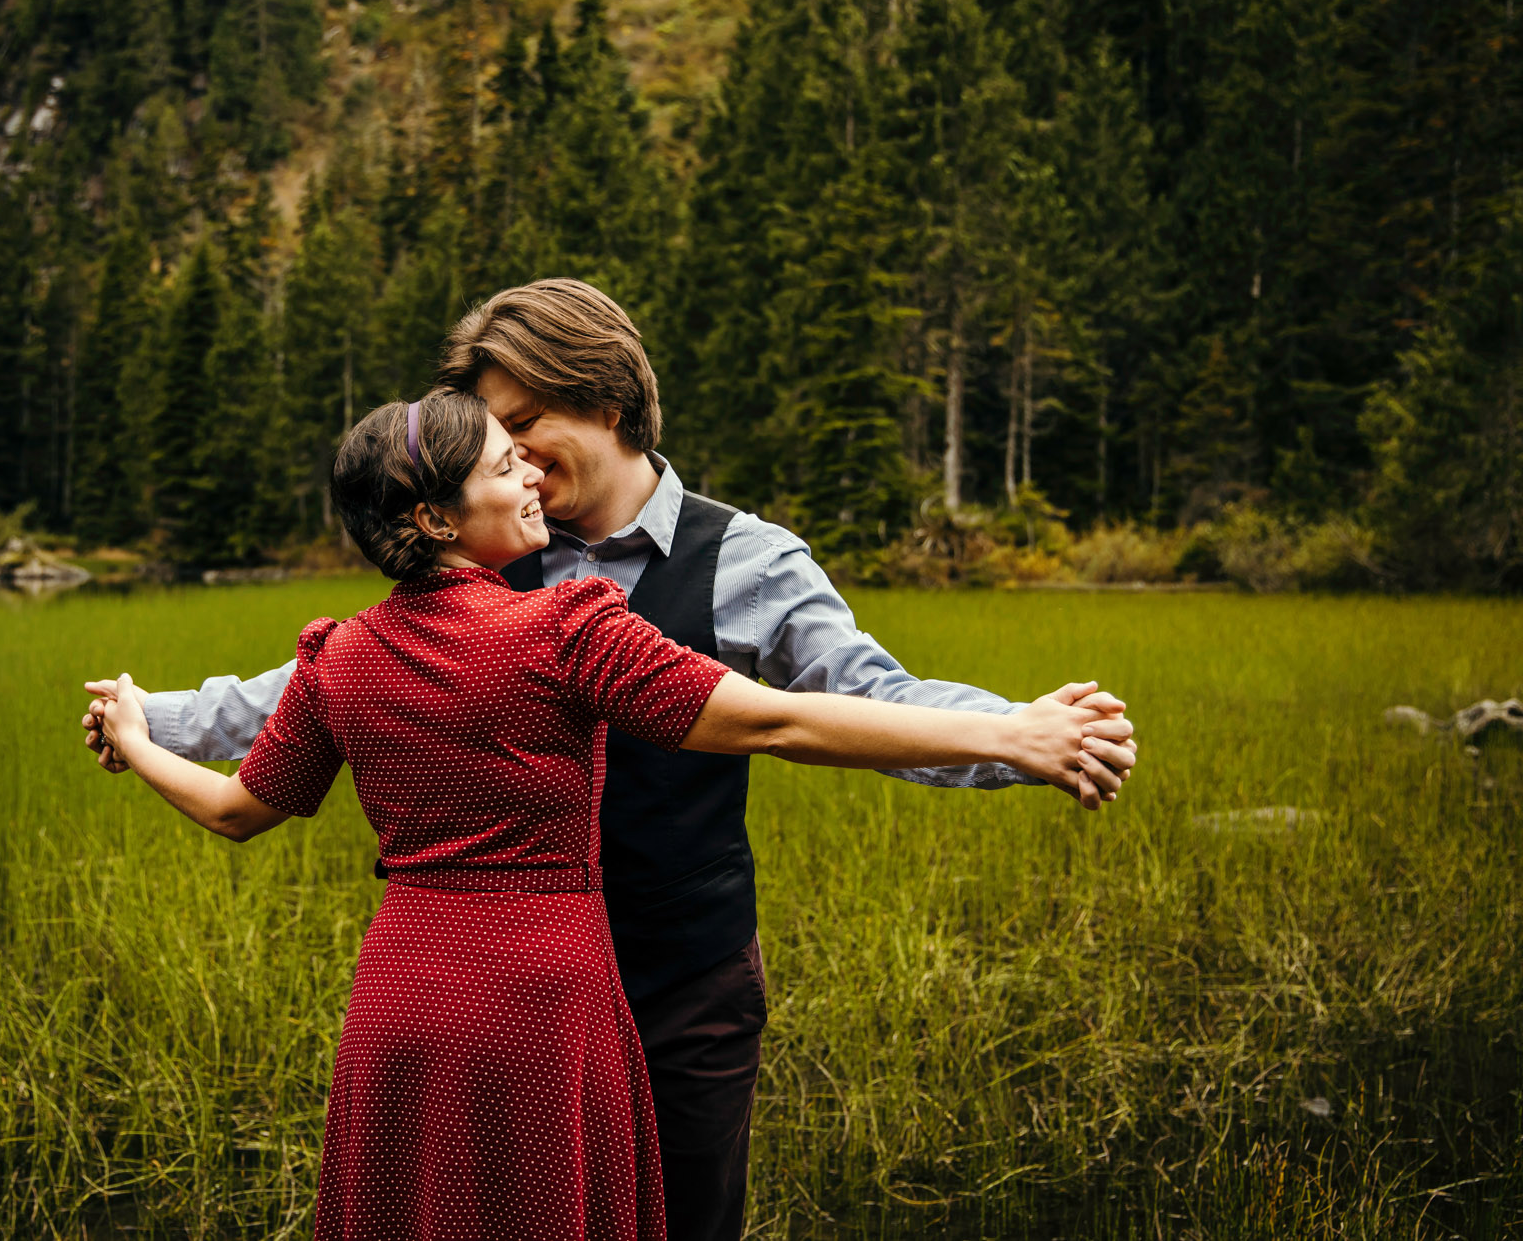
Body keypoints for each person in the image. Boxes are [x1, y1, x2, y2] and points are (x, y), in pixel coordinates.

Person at [85, 279, 1139, 1241]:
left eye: (526, 426)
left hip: (682, 986)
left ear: (609, 400)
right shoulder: (491, 549)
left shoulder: (749, 559)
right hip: (516, 994)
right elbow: (297, 690)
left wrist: (1021, 734)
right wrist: (150, 714)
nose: (517, 458)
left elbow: (857, 702)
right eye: (498, 442)